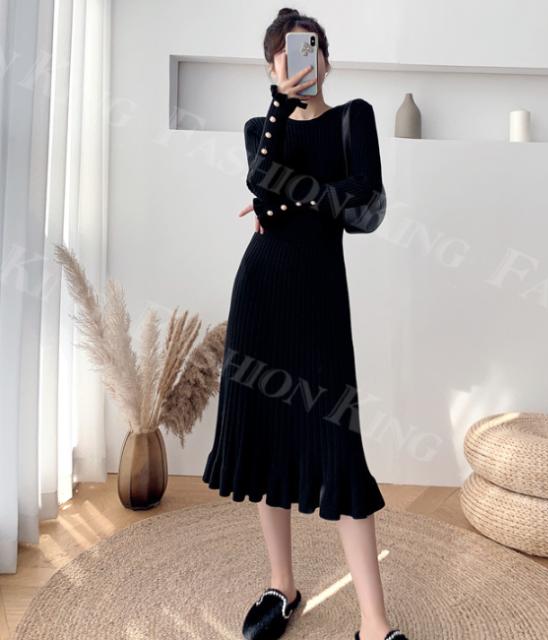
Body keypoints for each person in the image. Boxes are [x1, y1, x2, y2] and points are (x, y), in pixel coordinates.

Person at [202, 8, 408, 640]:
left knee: (338, 444)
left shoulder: (354, 119)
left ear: (326, 58)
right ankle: (282, 586)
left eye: (311, 50)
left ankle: (373, 623)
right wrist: (280, 118)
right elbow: (261, 179)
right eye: (287, 56)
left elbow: (364, 202)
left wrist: (292, 199)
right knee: (267, 438)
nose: (301, 63)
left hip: (319, 300)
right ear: (272, 69)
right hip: (261, 292)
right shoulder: (259, 127)